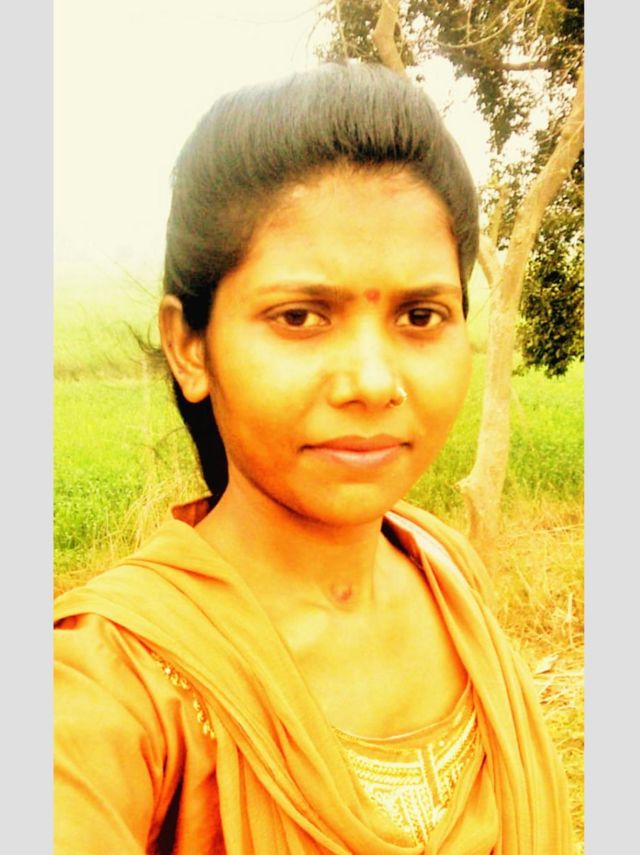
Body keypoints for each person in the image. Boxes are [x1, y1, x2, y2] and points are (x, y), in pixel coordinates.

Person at [54, 62, 572, 854]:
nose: (373, 381)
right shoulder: (110, 680)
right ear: (190, 345)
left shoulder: (445, 569)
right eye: (300, 316)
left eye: (421, 315)